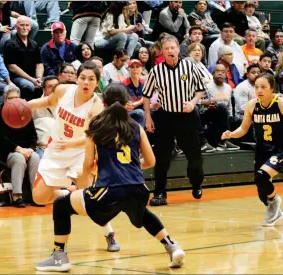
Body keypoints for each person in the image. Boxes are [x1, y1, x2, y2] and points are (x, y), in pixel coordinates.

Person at [35, 83, 186, 272]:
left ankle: (59, 256)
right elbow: (151, 161)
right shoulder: (135, 127)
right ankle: (172, 246)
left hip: (109, 189)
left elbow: (88, 163)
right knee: (142, 212)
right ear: (127, 104)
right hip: (137, 187)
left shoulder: (96, 126)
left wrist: (84, 183)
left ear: (103, 103)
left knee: (61, 206)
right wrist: (129, 166)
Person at [28, 61, 120, 252]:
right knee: (38, 197)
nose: (86, 82)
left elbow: (90, 136)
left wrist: (69, 144)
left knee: (91, 202)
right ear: (77, 79)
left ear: (97, 83)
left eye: (91, 79)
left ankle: (109, 234)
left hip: (81, 153)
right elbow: (48, 102)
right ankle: (68, 195)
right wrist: (24, 105)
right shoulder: (63, 90)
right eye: (83, 78)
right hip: (56, 150)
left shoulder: (97, 107)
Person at [221, 73, 283, 226]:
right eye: (256, 87)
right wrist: (231, 134)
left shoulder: (282, 104)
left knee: (263, 175)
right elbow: (243, 129)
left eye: (263, 87)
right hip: (262, 149)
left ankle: (275, 202)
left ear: (272, 89)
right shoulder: (252, 105)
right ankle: (274, 206)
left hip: (281, 148)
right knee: (261, 189)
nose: (259, 90)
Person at [143, 35, 206, 206]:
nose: (170, 51)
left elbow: (201, 88)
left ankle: (196, 183)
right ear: (162, 52)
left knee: (194, 157)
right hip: (166, 117)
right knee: (162, 157)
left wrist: (193, 103)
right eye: (167, 48)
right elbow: (146, 96)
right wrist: (148, 117)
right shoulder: (156, 71)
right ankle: (159, 193)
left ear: (179, 49)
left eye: (173, 48)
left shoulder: (189, 65)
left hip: (187, 117)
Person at [3, 16, 43, 100]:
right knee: (29, 86)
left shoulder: (34, 44)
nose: (25, 28)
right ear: (16, 27)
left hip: (33, 77)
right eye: (22, 25)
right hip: (16, 78)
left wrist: (38, 78)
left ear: (30, 28)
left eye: (27, 25)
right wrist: (32, 80)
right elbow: (12, 67)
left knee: (49, 82)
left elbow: (39, 64)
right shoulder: (10, 44)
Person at [32, 76, 58, 159]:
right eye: (50, 87)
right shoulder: (34, 105)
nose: (54, 89)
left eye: (56, 86)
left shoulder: (67, 105)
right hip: (43, 148)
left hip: (63, 148)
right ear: (44, 89)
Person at [122, 59, 145, 128]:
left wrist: (136, 103)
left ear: (141, 69)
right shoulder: (123, 84)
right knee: (140, 113)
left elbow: (146, 98)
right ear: (128, 69)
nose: (135, 69)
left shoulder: (144, 83)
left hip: (140, 109)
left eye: (137, 67)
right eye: (132, 67)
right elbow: (125, 104)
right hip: (128, 112)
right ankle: (141, 136)